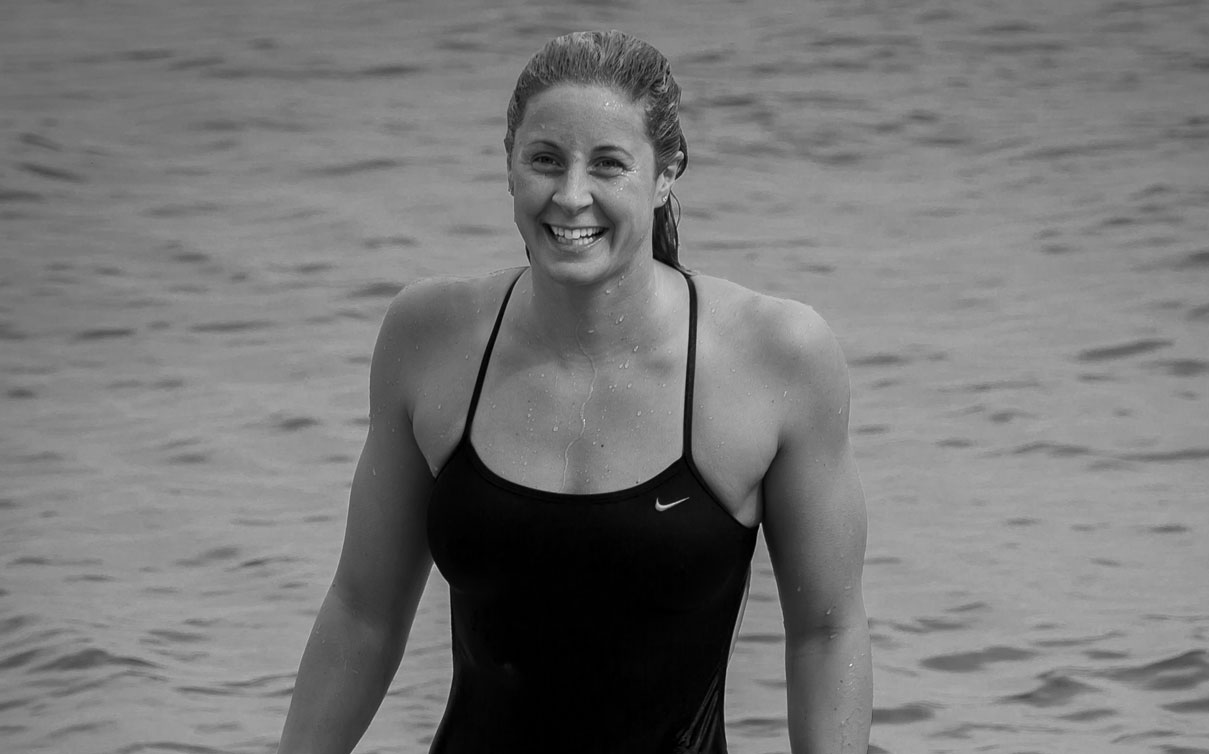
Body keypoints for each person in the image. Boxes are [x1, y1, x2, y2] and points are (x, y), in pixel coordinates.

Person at [277, 30, 871, 754]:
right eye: (546, 161)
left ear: (666, 173)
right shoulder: (428, 336)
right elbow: (363, 611)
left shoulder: (776, 357)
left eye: (609, 165)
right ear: (509, 166)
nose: (571, 196)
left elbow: (827, 630)